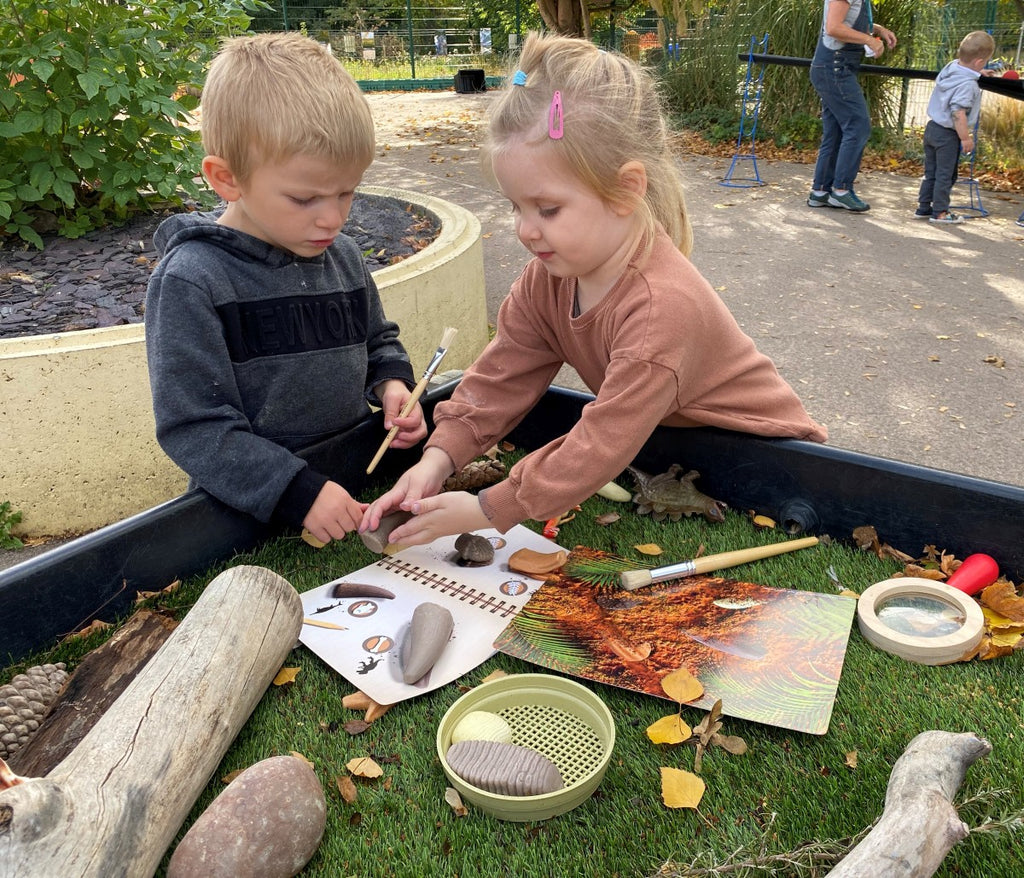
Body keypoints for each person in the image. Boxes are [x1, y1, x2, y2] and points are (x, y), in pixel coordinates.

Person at [360, 31, 827, 548]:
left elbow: (603, 441)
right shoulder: (548, 277)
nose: (525, 230)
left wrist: (488, 508)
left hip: (775, 467)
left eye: (548, 209)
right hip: (671, 445)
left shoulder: (662, 307)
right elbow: (501, 375)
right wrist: (436, 459)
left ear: (626, 190)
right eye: (516, 207)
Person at [145, 32, 426, 545]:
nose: (332, 218)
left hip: (356, 482)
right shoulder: (192, 280)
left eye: (346, 192)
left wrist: (392, 386)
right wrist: (298, 492)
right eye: (304, 198)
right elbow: (194, 426)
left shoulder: (342, 256)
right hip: (247, 520)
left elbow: (378, 341)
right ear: (227, 178)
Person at [807, 1, 897, 212]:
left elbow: (848, 20)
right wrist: (869, 40)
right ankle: (841, 190)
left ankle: (820, 191)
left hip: (833, 67)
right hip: (835, 67)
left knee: (836, 131)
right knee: (858, 126)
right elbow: (833, 27)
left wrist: (877, 29)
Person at [915, 31, 996, 224]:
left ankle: (923, 207)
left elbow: (964, 66)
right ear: (979, 62)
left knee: (931, 172)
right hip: (948, 134)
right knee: (945, 174)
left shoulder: (951, 68)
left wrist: (978, 72)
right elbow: (958, 112)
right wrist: (965, 138)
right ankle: (940, 212)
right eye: (984, 63)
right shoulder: (968, 85)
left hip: (932, 128)